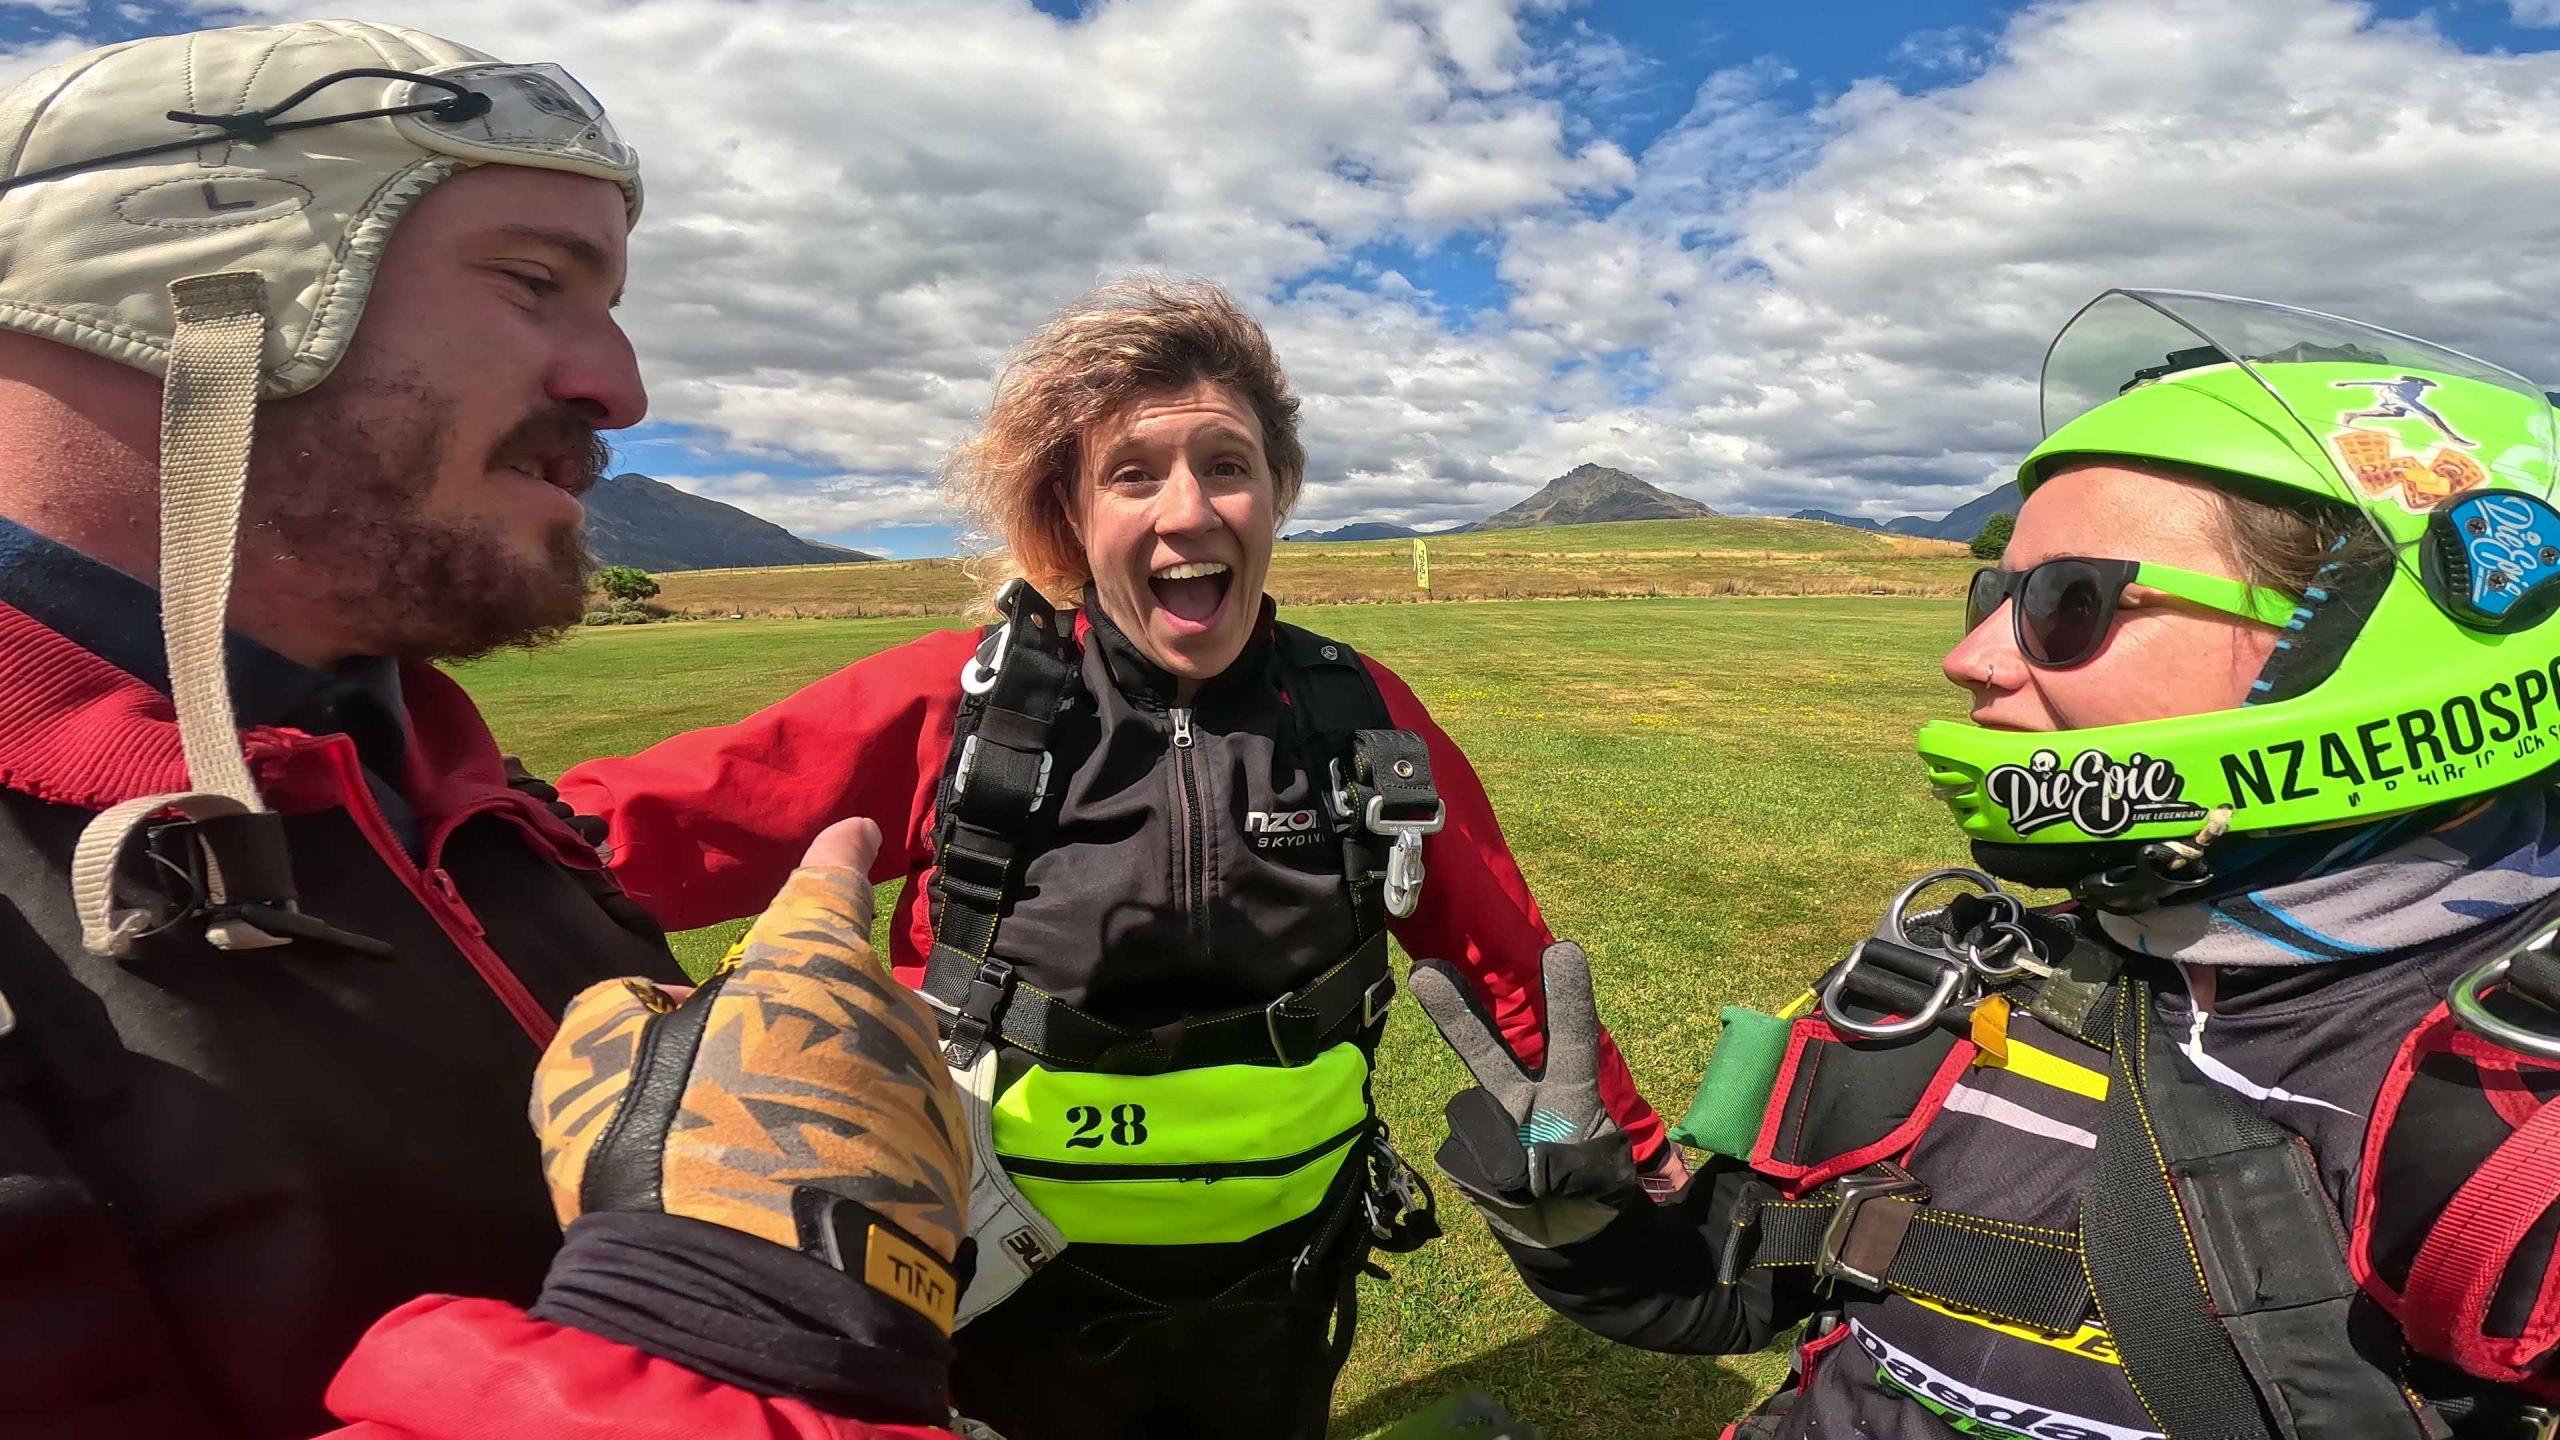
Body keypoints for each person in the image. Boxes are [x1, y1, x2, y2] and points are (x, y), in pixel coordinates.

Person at [0, 21, 970, 1439]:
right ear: (187, 292)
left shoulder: (453, 799)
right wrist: (715, 1330)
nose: (620, 389)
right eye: (533, 281)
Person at [1413, 290, 2560, 1438]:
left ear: (2365, 645)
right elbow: (1741, 1281)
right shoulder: (1951, 978)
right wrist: (1589, 1223)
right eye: (1991, 595)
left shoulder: (2508, 1109)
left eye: (2070, 604)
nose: (1968, 658)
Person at [557, 276, 1682, 1439]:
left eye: (1227, 466)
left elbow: (1505, 955)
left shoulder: (1355, 711)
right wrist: (392, 815)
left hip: (1287, 1281)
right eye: (1134, 474)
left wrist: (1635, 1157)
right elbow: (618, 833)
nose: (1187, 512)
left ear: (1277, 494)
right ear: (1072, 512)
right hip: (990, 1284)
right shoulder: (963, 707)